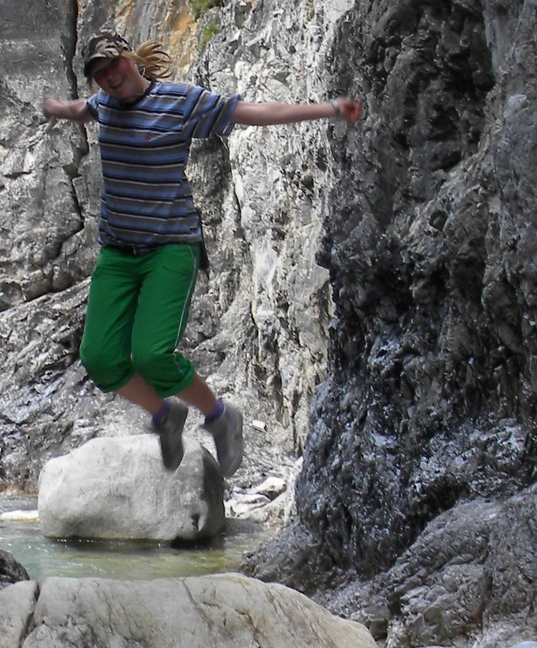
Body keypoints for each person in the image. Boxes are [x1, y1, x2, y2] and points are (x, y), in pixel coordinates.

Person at [42, 29, 363, 479]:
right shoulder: (103, 106)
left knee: (152, 355)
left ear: (130, 58)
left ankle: (219, 417)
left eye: (114, 64)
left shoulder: (181, 101)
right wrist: (58, 108)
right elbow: (82, 109)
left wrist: (328, 108)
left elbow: (255, 113)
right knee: (99, 358)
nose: (110, 77)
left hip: (170, 249)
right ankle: (165, 414)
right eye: (99, 73)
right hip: (117, 254)